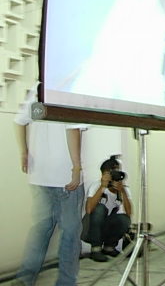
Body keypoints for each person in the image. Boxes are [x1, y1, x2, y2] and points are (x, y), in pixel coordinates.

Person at [14, 83, 85, 285]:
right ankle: (66, 282)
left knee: (40, 229)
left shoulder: (37, 89)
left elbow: (19, 121)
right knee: (70, 234)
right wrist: (77, 167)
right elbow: (72, 129)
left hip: (39, 175)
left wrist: (24, 151)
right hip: (64, 176)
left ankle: (25, 279)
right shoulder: (69, 89)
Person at [84, 155, 133, 262]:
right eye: (111, 173)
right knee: (100, 208)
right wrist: (103, 186)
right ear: (103, 174)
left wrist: (122, 191)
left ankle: (109, 248)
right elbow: (88, 210)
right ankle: (95, 249)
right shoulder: (96, 186)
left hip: (107, 227)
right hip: (89, 230)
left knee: (124, 219)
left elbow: (129, 214)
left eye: (117, 171)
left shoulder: (123, 189)